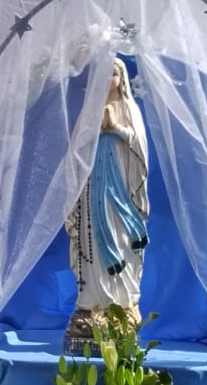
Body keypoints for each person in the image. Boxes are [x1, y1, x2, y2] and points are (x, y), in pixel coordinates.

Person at [62, 58, 150, 355]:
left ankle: (122, 306)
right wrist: (93, 133)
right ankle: (90, 305)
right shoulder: (88, 113)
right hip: (92, 191)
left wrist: (116, 130)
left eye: (113, 73)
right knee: (93, 243)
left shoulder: (129, 110)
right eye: (103, 74)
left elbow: (139, 148)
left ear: (121, 79)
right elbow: (75, 152)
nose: (108, 79)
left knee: (120, 238)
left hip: (121, 191)